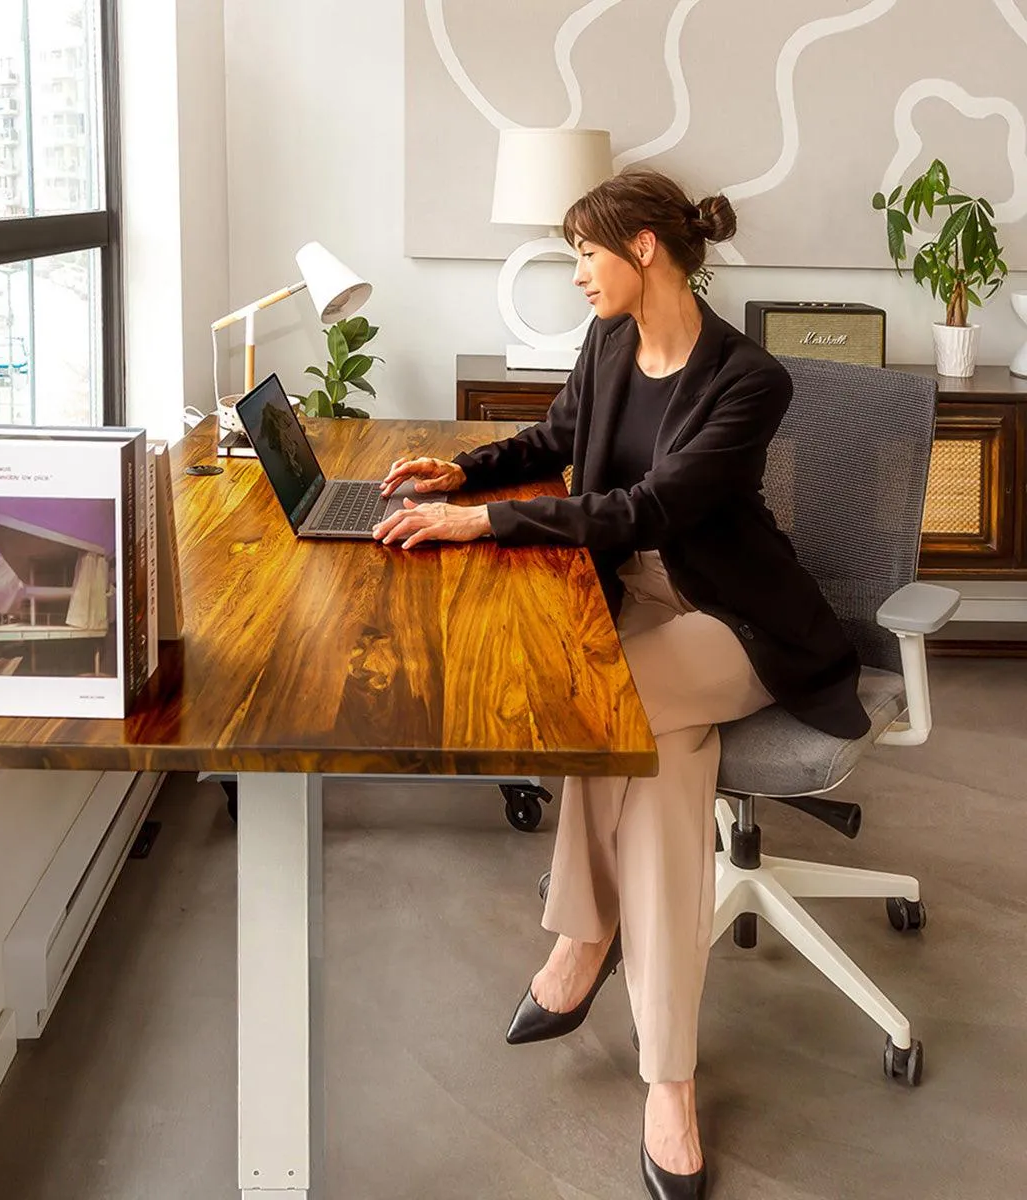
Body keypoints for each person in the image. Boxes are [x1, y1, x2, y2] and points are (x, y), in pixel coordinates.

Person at [372, 167, 870, 1200]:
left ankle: (591, 952)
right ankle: (665, 1075)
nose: (577, 280)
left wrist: (485, 524)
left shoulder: (748, 379)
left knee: (604, 707)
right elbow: (558, 441)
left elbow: (647, 507)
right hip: (634, 605)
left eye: (586, 257)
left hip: (729, 621)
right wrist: (462, 474)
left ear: (644, 249)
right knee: (664, 760)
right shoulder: (607, 340)